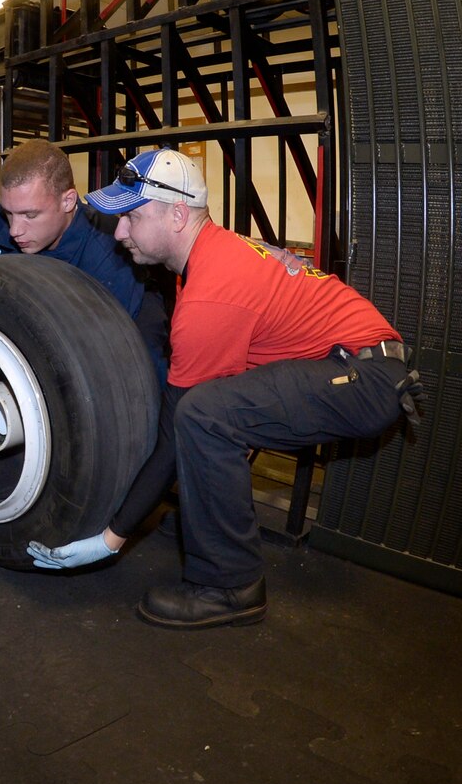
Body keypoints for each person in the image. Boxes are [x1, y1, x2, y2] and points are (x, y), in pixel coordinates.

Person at [27, 148, 420, 629]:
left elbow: (177, 430)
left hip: (362, 377)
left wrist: (110, 539)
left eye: (132, 217)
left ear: (177, 215)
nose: (121, 232)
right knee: (212, 408)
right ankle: (208, 524)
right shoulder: (211, 253)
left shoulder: (210, 292)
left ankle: (231, 586)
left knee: (202, 415)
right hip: (356, 362)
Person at [0, 139, 170, 385]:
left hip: (118, 328)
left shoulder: (110, 255)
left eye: (30, 215)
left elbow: (104, 353)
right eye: (9, 212)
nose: (15, 230)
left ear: (68, 201)